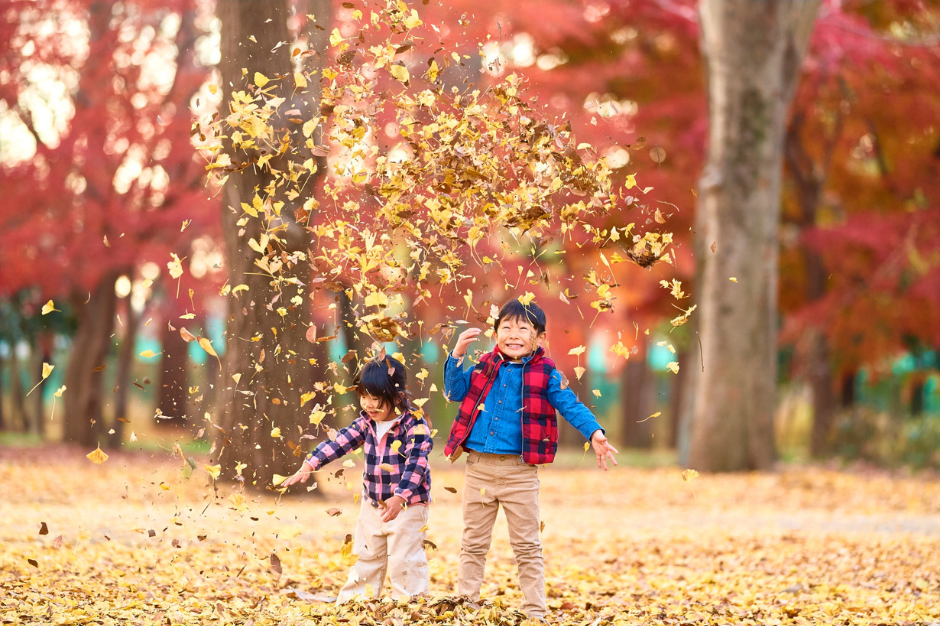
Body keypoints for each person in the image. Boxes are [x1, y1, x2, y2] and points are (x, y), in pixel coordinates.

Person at [443, 299, 619, 619]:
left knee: (526, 546)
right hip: (479, 468)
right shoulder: (484, 364)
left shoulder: (547, 372)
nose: (514, 333)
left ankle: (535, 609)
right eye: (506, 327)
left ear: (538, 337)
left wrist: (594, 433)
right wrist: (456, 355)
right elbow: (454, 391)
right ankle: (466, 602)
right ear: (496, 333)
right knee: (473, 543)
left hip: (519, 472)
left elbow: (570, 404)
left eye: (523, 328)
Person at [283, 355, 432, 602]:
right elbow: (339, 442)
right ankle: (358, 602)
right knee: (366, 555)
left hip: (408, 505)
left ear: (397, 397)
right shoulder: (366, 422)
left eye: (376, 398)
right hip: (373, 504)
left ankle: (410, 604)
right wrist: (310, 463)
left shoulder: (414, 426)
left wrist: (400, 497)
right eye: (364, 397)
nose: (369, 404)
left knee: (404, 560)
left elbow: (417, 464)